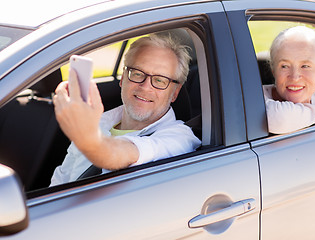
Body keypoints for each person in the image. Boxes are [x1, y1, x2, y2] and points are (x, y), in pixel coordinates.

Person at [50, 33, 201, 186]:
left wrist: (87, 137)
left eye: (159, 80)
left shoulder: (179, 139)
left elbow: (122, 153)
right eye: (137, 73)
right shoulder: (99, 121)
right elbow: (61, 180)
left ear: (175, 92)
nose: (145, 87)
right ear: (123, 78)